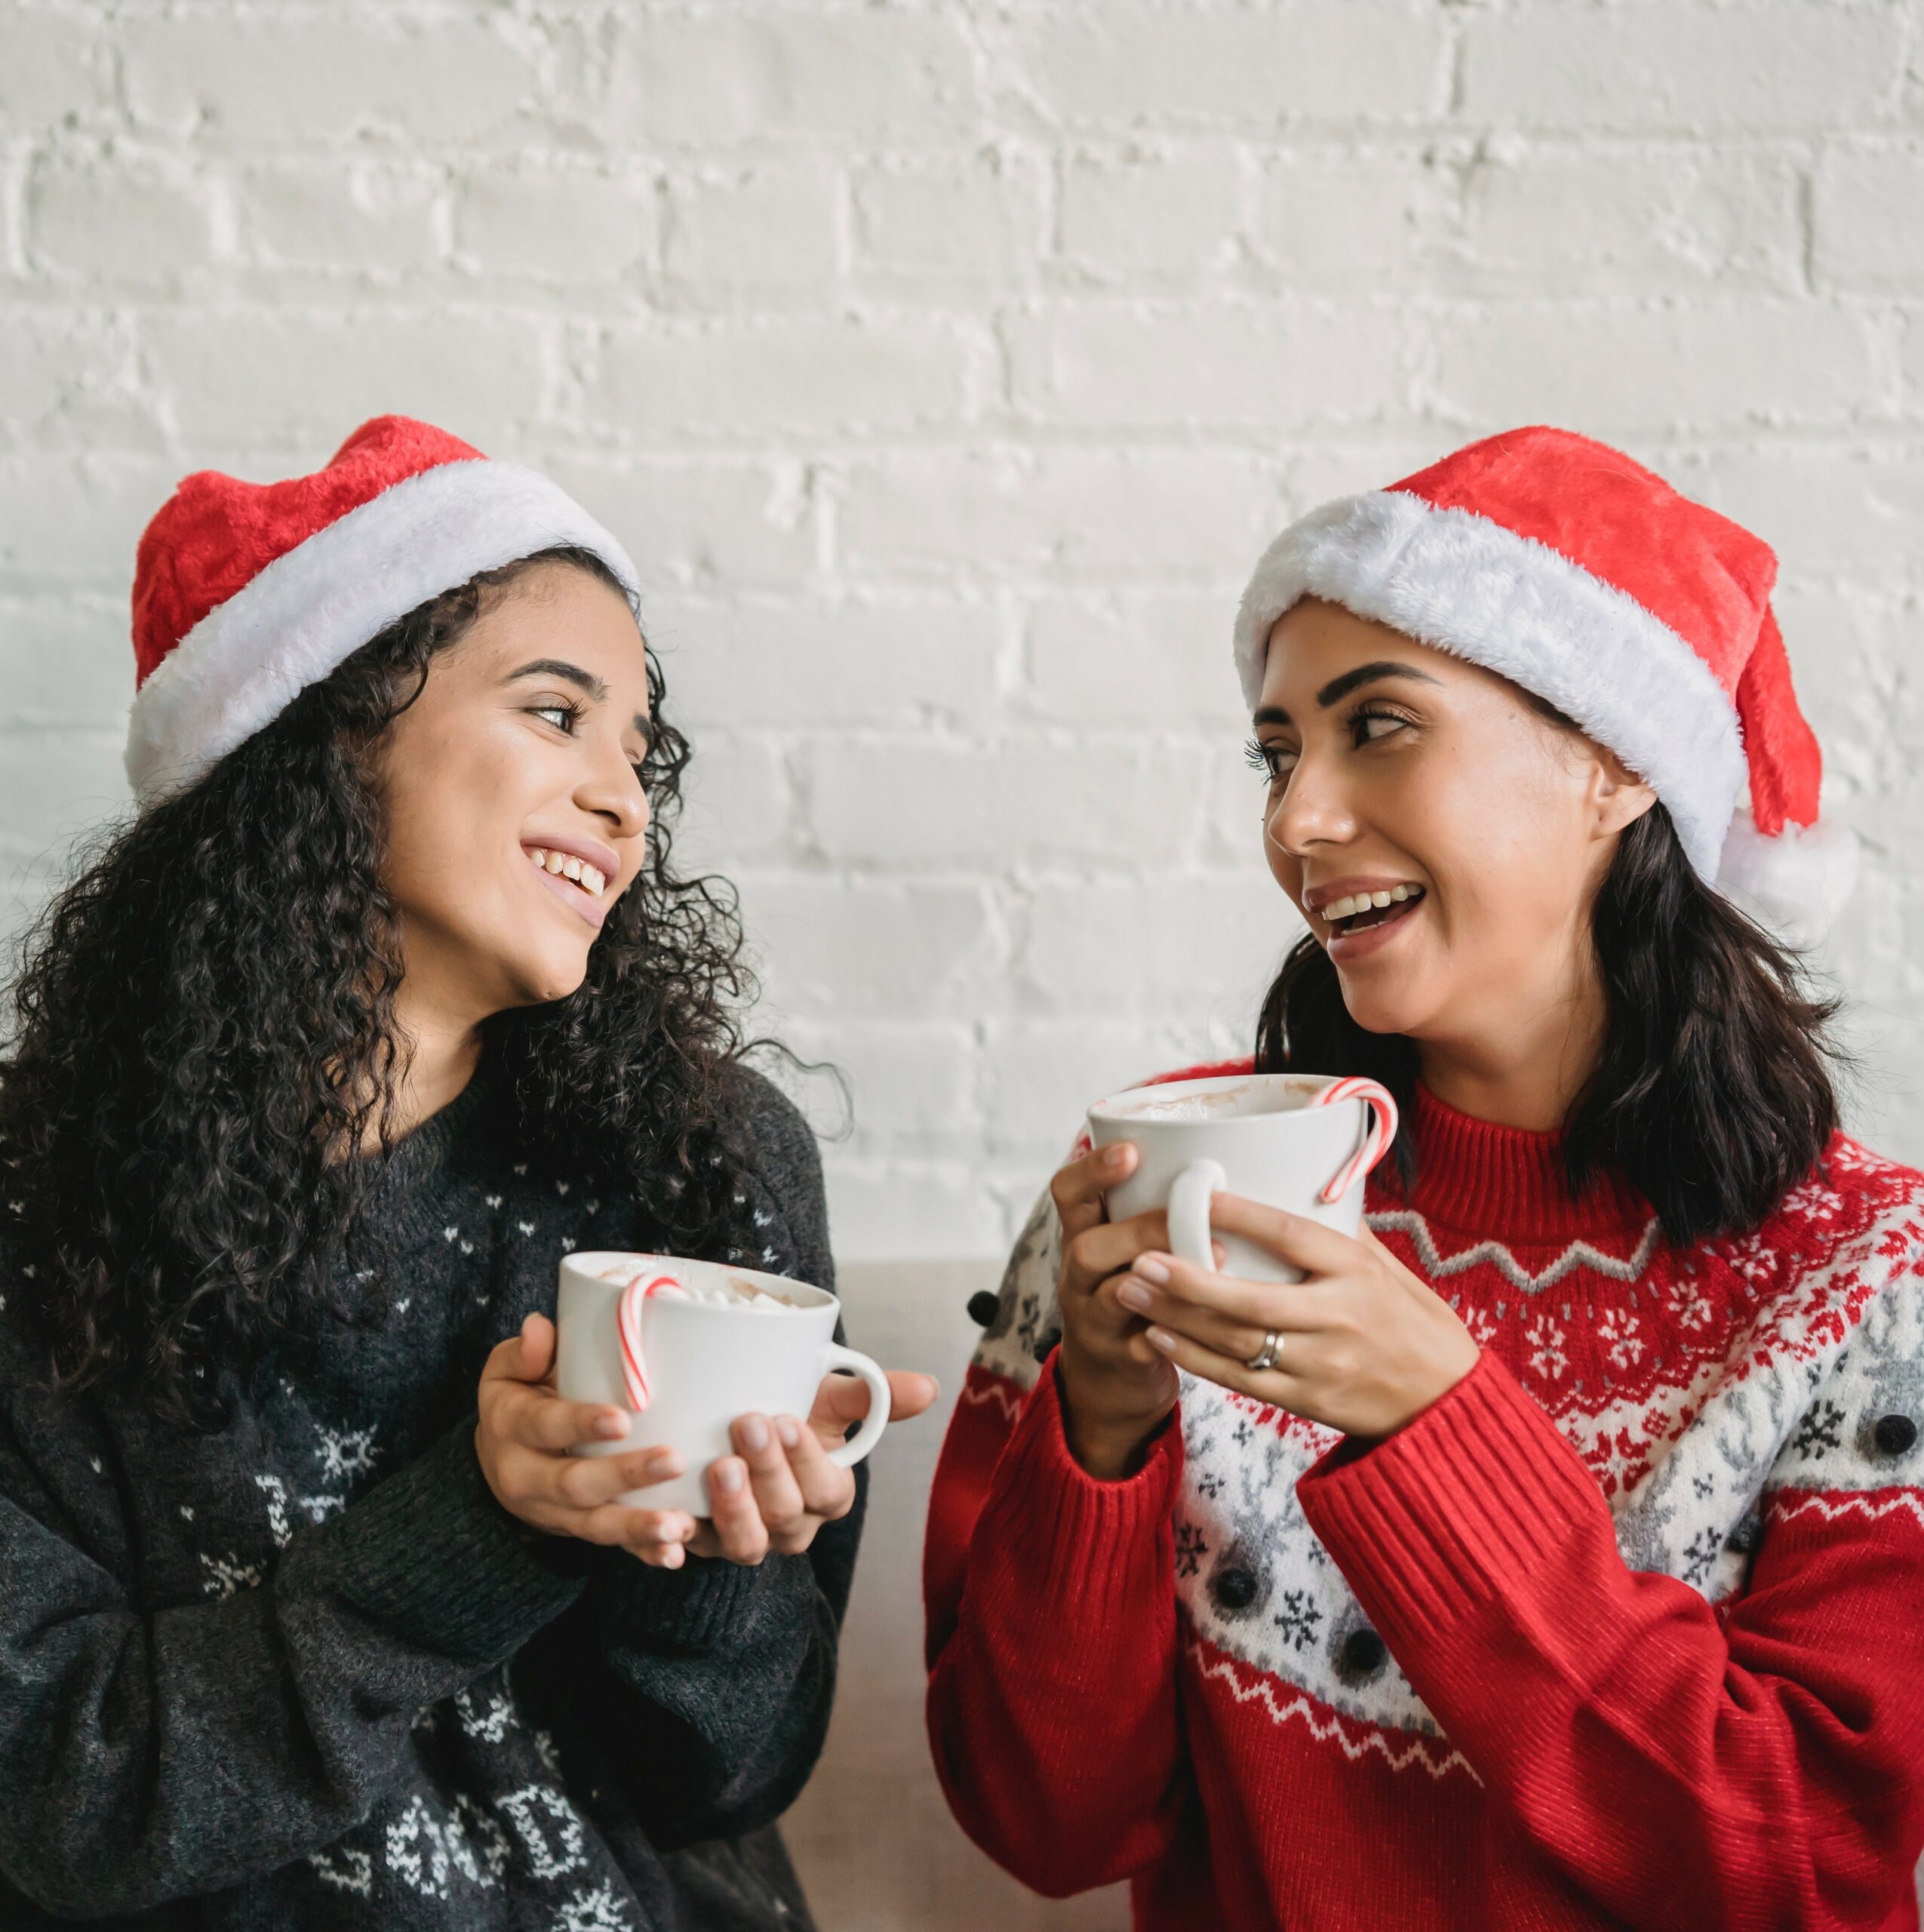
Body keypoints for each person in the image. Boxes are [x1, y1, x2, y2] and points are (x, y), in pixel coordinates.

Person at [925, 426, 1924, 1930]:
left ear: (1611, 763)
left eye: (1376, 725)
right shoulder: (1148, 1187)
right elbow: (1044, 1823)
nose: (1296, 819)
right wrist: (1101, 1432)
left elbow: (1797, 1867)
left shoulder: (1868, 1279)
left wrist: (1439, 1425)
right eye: (1277, 752)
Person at [0, 415, 934, 1931]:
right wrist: (485, 1522)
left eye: (642, 746)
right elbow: (63, 1791)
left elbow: (726, 1782)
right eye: (557, 711)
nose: (629, 800)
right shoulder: (33, 1199)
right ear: (316, 730)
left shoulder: (706, 1164)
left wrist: (716, 1559)